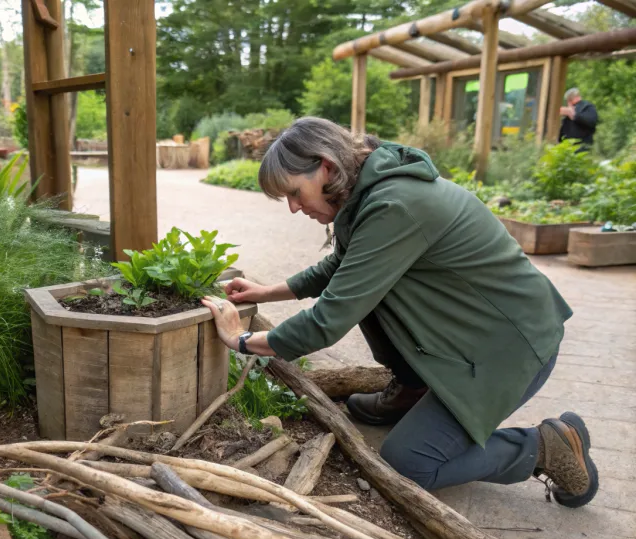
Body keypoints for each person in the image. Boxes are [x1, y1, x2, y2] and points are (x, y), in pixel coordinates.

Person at [201, 116, 599, 508]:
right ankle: (414, 390)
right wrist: (267, 292)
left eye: (294, 192)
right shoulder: (368, 191)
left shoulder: (396, 205)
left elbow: (328, 321)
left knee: (409, 464)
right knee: (366, 291)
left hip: (510, 348)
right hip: (474, 335)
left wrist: (241, 340)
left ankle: (546, 447)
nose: (292, 207)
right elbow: (342, 267)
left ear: (325, 166)